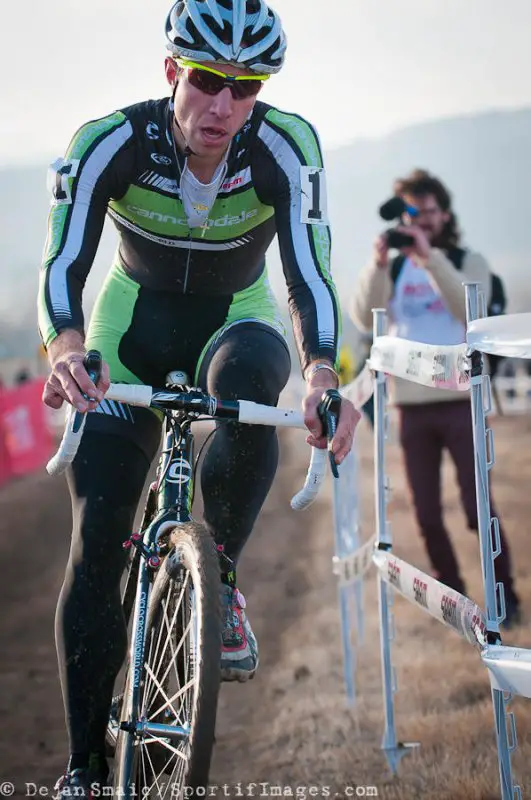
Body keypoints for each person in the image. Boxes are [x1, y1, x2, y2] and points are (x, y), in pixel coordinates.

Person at [37, 0, 360, 793]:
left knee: (255, 377)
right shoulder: (111, 138)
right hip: (127, 331)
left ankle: (215, 576)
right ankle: (83, 767)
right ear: (173, 71)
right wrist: (69, 350)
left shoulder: (285, 145)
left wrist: (322, 373)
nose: (223, 104)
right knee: (100, 533)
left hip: (234, 320)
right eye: (209, 79)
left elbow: (308, 272)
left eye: (245, 86)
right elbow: (62, 264)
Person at [349, 169, 521, 623]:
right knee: (425, 514)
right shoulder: (398, 265)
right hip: (410, 406)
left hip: (461, 401)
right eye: (411, 214)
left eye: (427, 213)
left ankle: (506, 599)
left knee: (476, 507)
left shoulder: (468, 259)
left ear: (445, 214)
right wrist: (380, 264)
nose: (420, 222)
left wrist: (432, 260)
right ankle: (457, 605)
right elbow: (367, 318)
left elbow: (473, 312)